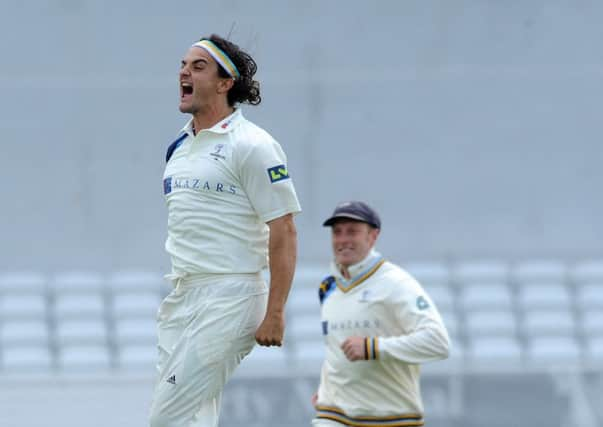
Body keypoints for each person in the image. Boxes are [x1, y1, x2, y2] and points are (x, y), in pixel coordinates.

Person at [149, 34, 301, 427]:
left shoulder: (252, 145)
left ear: (225, 82)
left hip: (230, 296)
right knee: (196, 417)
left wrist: (276, 312)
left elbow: (283, 228)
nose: (185, 72)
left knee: (167, 418)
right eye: (183, 65)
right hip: (184, 295)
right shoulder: (179, 147)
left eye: (198, 66)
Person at [311, 201, 449, 427]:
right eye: (337, 232)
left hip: (392, 418)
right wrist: (326, 389)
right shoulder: (328, 287)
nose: (343, 239)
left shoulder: (396, 283)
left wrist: (374, 347)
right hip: (334, 414)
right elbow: (334, 348)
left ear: (373, 236)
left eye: (352, 232)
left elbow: (438, 343)